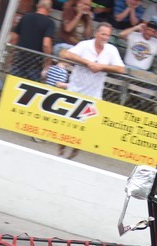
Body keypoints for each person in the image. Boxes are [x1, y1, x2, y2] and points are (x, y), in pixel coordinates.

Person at [58, 22, 126, 158]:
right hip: (75, 89)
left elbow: (121, 68)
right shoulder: (85, 45)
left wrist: (101, 67)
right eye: (103, 34)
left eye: (108, 35)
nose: (105, 37)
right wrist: (87, 63)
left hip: (94, 94)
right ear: (96, 34)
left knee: (86, 125)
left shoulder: (111, 49)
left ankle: (74, 152)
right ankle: (61, 151)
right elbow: (67, 54)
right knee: (68, 123)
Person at [10, 0, 56, 82]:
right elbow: (46, 44)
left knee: (12, 83)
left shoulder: (25, 17)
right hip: (35, 61)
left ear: (37, 5)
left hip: (19, 57)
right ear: (50, 10)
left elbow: (14, 37)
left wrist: (11, 53)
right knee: (30, 86)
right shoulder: (49, 23)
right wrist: (48, 61)